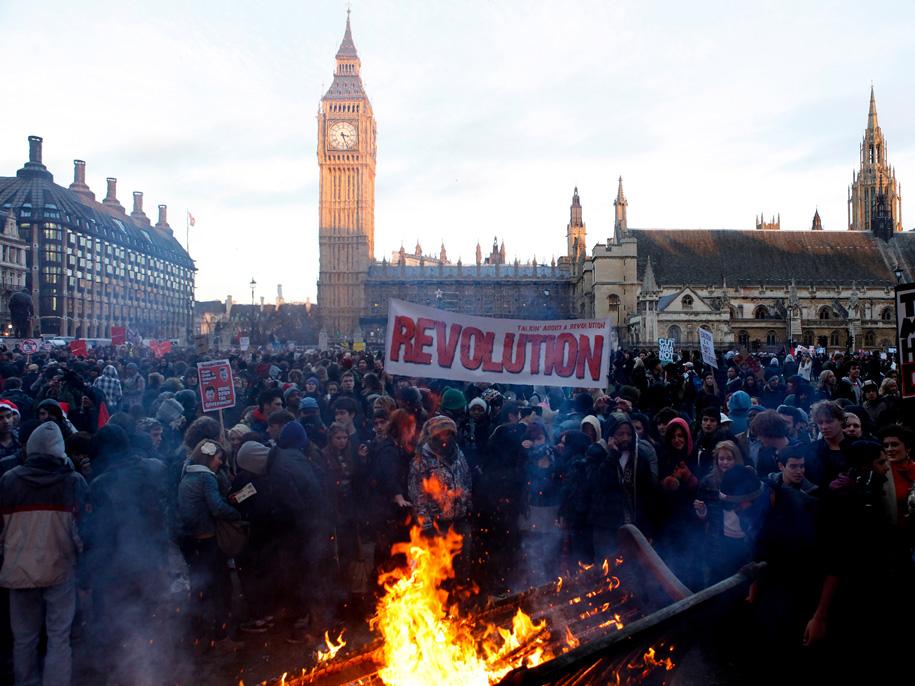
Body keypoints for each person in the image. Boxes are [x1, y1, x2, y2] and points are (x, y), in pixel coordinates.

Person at [0, 422, 88, 686]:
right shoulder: (73, 482)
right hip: (60, 569)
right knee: (59, 636)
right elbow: (83, 533)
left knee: (24, 639)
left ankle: (25, 682)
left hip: (18, 570)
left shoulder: (9, 480)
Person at [176, 439, 242, 652]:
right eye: (219, 459)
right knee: (219, 588)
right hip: (207, 539)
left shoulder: (186, 473)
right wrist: (236, 513)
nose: (219, 463)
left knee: (199, 587)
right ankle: (221, 637)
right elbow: (216, 507)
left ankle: (196, 635)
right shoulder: (206, 477)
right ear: (209, 457)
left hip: (189, 540)